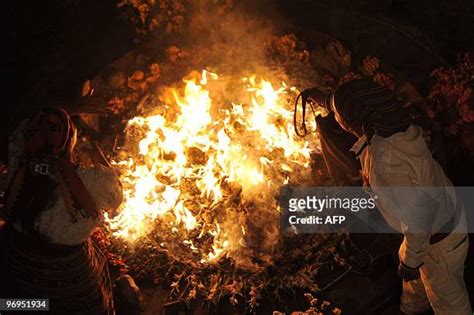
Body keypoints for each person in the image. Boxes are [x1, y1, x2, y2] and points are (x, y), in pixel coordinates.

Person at [296, 79, 472, 315]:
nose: (336, 116)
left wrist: (410, 262)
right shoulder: (390, 124)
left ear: (352, 122)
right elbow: (352, 104)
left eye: (338, 114)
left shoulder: (385, 163)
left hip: (437, 244)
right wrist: (324, 98)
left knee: (450, 303)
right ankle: (410, 310)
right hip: (443, 223)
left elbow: (420, 220)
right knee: (416, 289)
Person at [0, 107, 123, 314]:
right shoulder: (88, 182)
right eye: (44, 127)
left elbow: (22, 130)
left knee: (18, 306)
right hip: (69, 279)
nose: (45, 131)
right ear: (69, 140)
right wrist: (95, 153)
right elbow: (115, 198)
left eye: (52, 127)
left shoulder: (17, 160)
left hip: (19, 267)